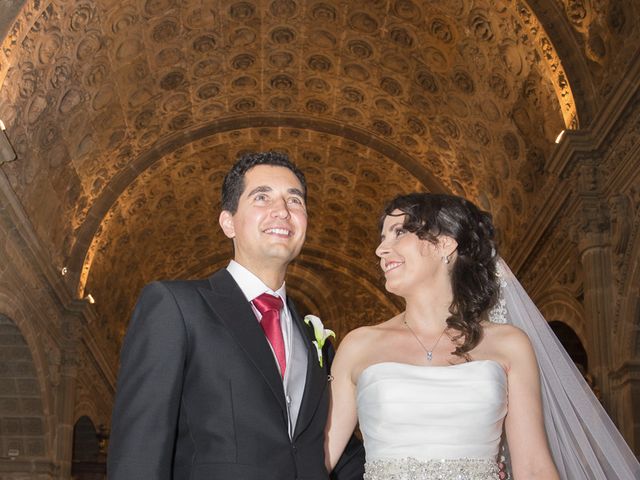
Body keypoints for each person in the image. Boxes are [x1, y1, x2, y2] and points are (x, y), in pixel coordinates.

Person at [324, 192, 640, 480]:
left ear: (445, 243)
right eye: (382, 237)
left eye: (399, 232)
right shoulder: (358, 345)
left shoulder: (509, 344)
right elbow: (318, 459)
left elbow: (532, 465)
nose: (381, 249)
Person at [107, 152, 364, 480]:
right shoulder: (176, 306)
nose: (282, 211)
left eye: (294, 200)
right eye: (261, 197)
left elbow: (332, 453)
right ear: (228, 221)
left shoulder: (317, 343)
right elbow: (139, 450)